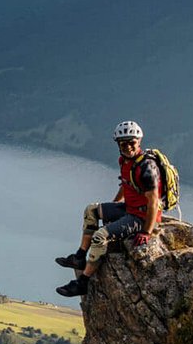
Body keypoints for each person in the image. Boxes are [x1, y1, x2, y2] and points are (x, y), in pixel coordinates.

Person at [55, 120, 165, 298]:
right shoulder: (125, 161)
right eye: (124, 143)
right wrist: (113, 205)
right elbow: (126, 184)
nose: (128, 146)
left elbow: (154, 202)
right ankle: (80, 256)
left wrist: (146, 231)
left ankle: (82, 282)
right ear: (118, 144)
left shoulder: (147, 168)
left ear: (139, 142)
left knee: (100, 237)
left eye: (132, 142)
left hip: (141, 217)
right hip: (129, 208)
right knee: (91, 210)